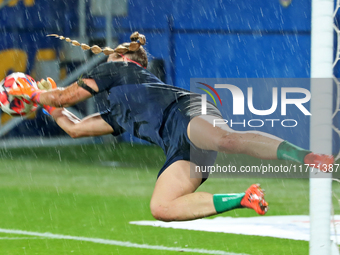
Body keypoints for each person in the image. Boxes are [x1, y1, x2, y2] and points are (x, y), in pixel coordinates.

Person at [10, 32, 334, 222]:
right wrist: (48, 104)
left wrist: (37, 93)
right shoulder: (118, 112)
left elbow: (69, 94)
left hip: (186, 112)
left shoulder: (120, 69)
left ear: (125, 60)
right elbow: (75, 127)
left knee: (226, 139)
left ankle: (306, 157)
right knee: (161, 207)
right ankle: (244, 198)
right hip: (177, 147)